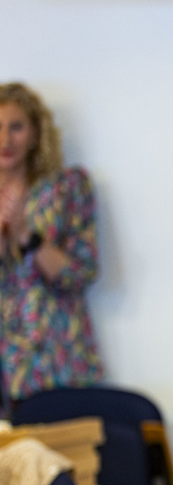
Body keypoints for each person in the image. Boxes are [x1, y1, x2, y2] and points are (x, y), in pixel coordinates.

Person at [0, 83, 102, 416]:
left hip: (56, 361)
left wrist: (27, 237)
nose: (5, 140)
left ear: (34, 133)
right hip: (4, 365)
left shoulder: (66, 188)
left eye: (16, 127)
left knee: (68, 460)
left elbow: (81, 273)